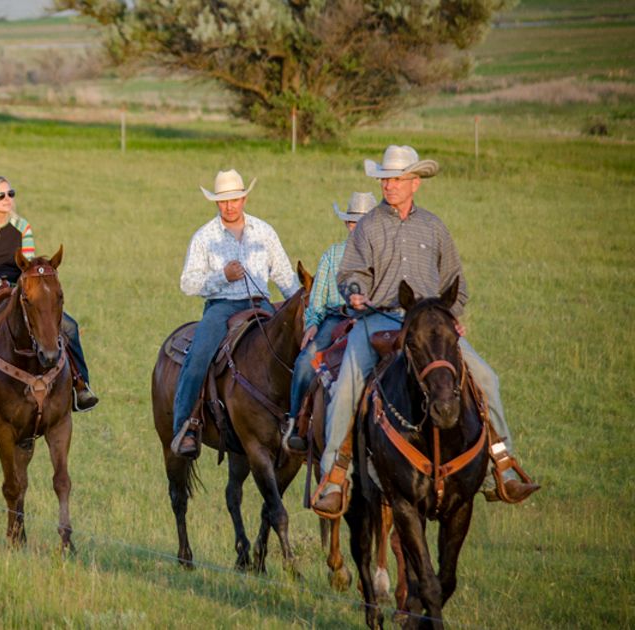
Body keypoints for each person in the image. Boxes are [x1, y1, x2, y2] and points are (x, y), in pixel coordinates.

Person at [310, 145, 540, 515]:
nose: (389, 186)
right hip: (379, 318)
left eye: (397, 179)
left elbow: (456, 282)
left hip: (430, 326)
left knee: (486, 379)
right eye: (385, 179)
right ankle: (334, 476)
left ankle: (502, 464)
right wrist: (354, 292)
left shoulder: (434, 227)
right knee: (348, 385)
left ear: (415, 182)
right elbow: (349, 272)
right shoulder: (368, 225)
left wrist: (451, 316)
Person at [0, 175, 98, 433]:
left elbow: (27, 268)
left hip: (16, 289)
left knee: (70, 327)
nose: (8, 200)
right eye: (2, 195)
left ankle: (80, 386)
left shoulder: (22, 227)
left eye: (11, 194)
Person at [170, 169, 300, 459]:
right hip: (222, 307)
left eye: (234, 199)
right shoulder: (204, 237)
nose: (229, 206)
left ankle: (299, 422)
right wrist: (222, 277)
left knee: (295, 348)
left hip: (261, 304)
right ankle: (185, 426)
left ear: (244, 198)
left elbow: (283, 274)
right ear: (216, 203)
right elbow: (188, 282)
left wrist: (304, 305)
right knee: (199, 355)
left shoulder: (264, 232)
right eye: (223, 201)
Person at [283, 193, 375, 451]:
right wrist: (312, 323)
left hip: (370, 318)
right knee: (305, 361)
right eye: (352, 222)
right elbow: (319, 298)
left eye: (363, 222)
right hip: (335, 317)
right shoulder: (333, 255)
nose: (357, 227)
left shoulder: (381, 255)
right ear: (347, 224)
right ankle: (295, 423)